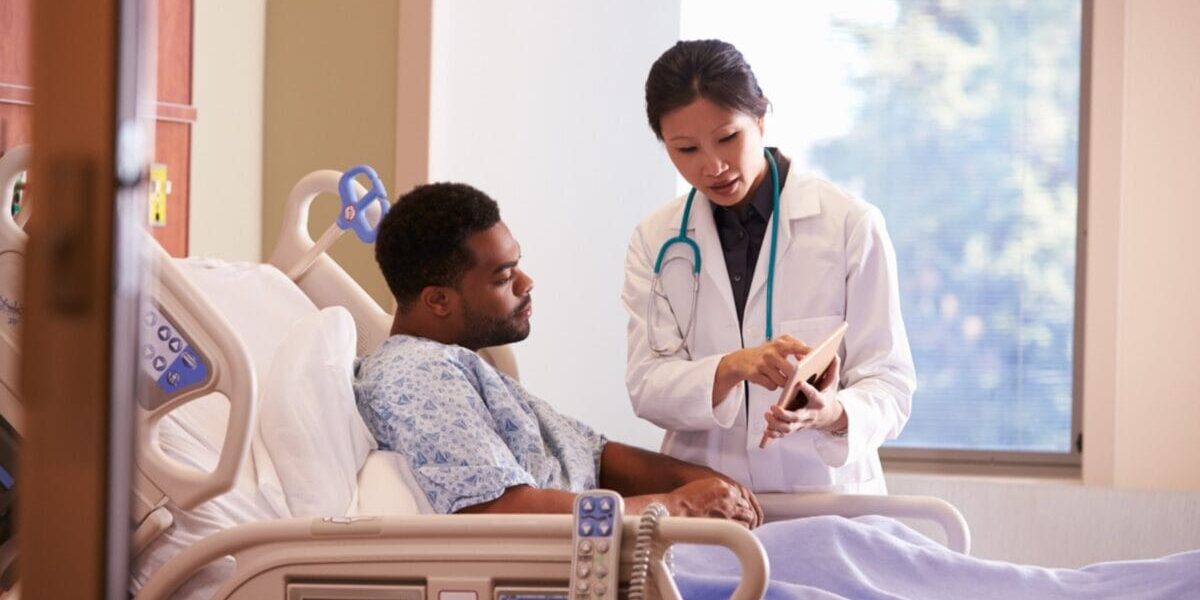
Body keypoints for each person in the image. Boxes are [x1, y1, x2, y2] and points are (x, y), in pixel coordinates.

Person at [353, 181, 763, 528]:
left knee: (825, 538)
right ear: (438, 300)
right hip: (584, 572)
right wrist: (680, 506)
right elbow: (502, 512)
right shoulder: (419, 377)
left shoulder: (464, 367)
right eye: (504, 277)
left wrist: (709, 482)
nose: (526, 283)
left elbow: (595, 456)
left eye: (519, 265)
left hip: (620, 548)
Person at [622, 39, 915, 494]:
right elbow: (647, 385)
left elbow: (889, 381)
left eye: (727, 138)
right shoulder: (655, 241)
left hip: (824, 501)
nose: (712, 166)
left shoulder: (849, 225)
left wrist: (833, 413)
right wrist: (732, 367)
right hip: (710, 505)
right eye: (686, 149)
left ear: (760, 118)